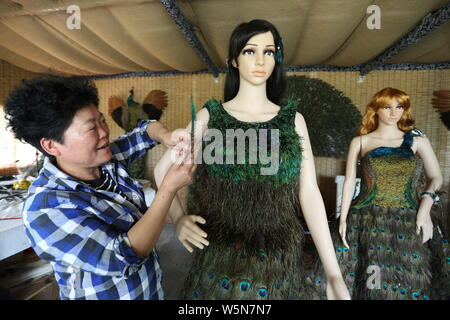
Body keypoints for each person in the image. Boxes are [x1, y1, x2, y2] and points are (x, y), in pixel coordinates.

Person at [154, 19, 350, 300]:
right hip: (219, 259)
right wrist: (178, 217)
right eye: (249, 51)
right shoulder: (211, 118)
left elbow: (309, 193)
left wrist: (333, 272)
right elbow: (163, 171)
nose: (260, 60)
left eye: (268, 52)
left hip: (276, 260)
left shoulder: (292, 121)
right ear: (233, 60)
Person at [3, 75, 195, 300]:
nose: (104, 131)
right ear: (51, 145)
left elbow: (145, 131)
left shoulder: (105, 160)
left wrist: (167, 136)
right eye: (91, 128)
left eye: (102, 120)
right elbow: (124, 256)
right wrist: (167, 190)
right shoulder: (45, 208)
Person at [335, 87, 449, 299]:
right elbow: (350, 180)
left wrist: (425, 208)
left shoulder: (417, 141)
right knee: (373, 274)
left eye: (399, 106)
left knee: (410, 274)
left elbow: (436, 178)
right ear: (375, 109)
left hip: (409, 218)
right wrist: (343, 217)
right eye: (387, 106)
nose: (393, 112)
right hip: (367, 218)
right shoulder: (360, 142)